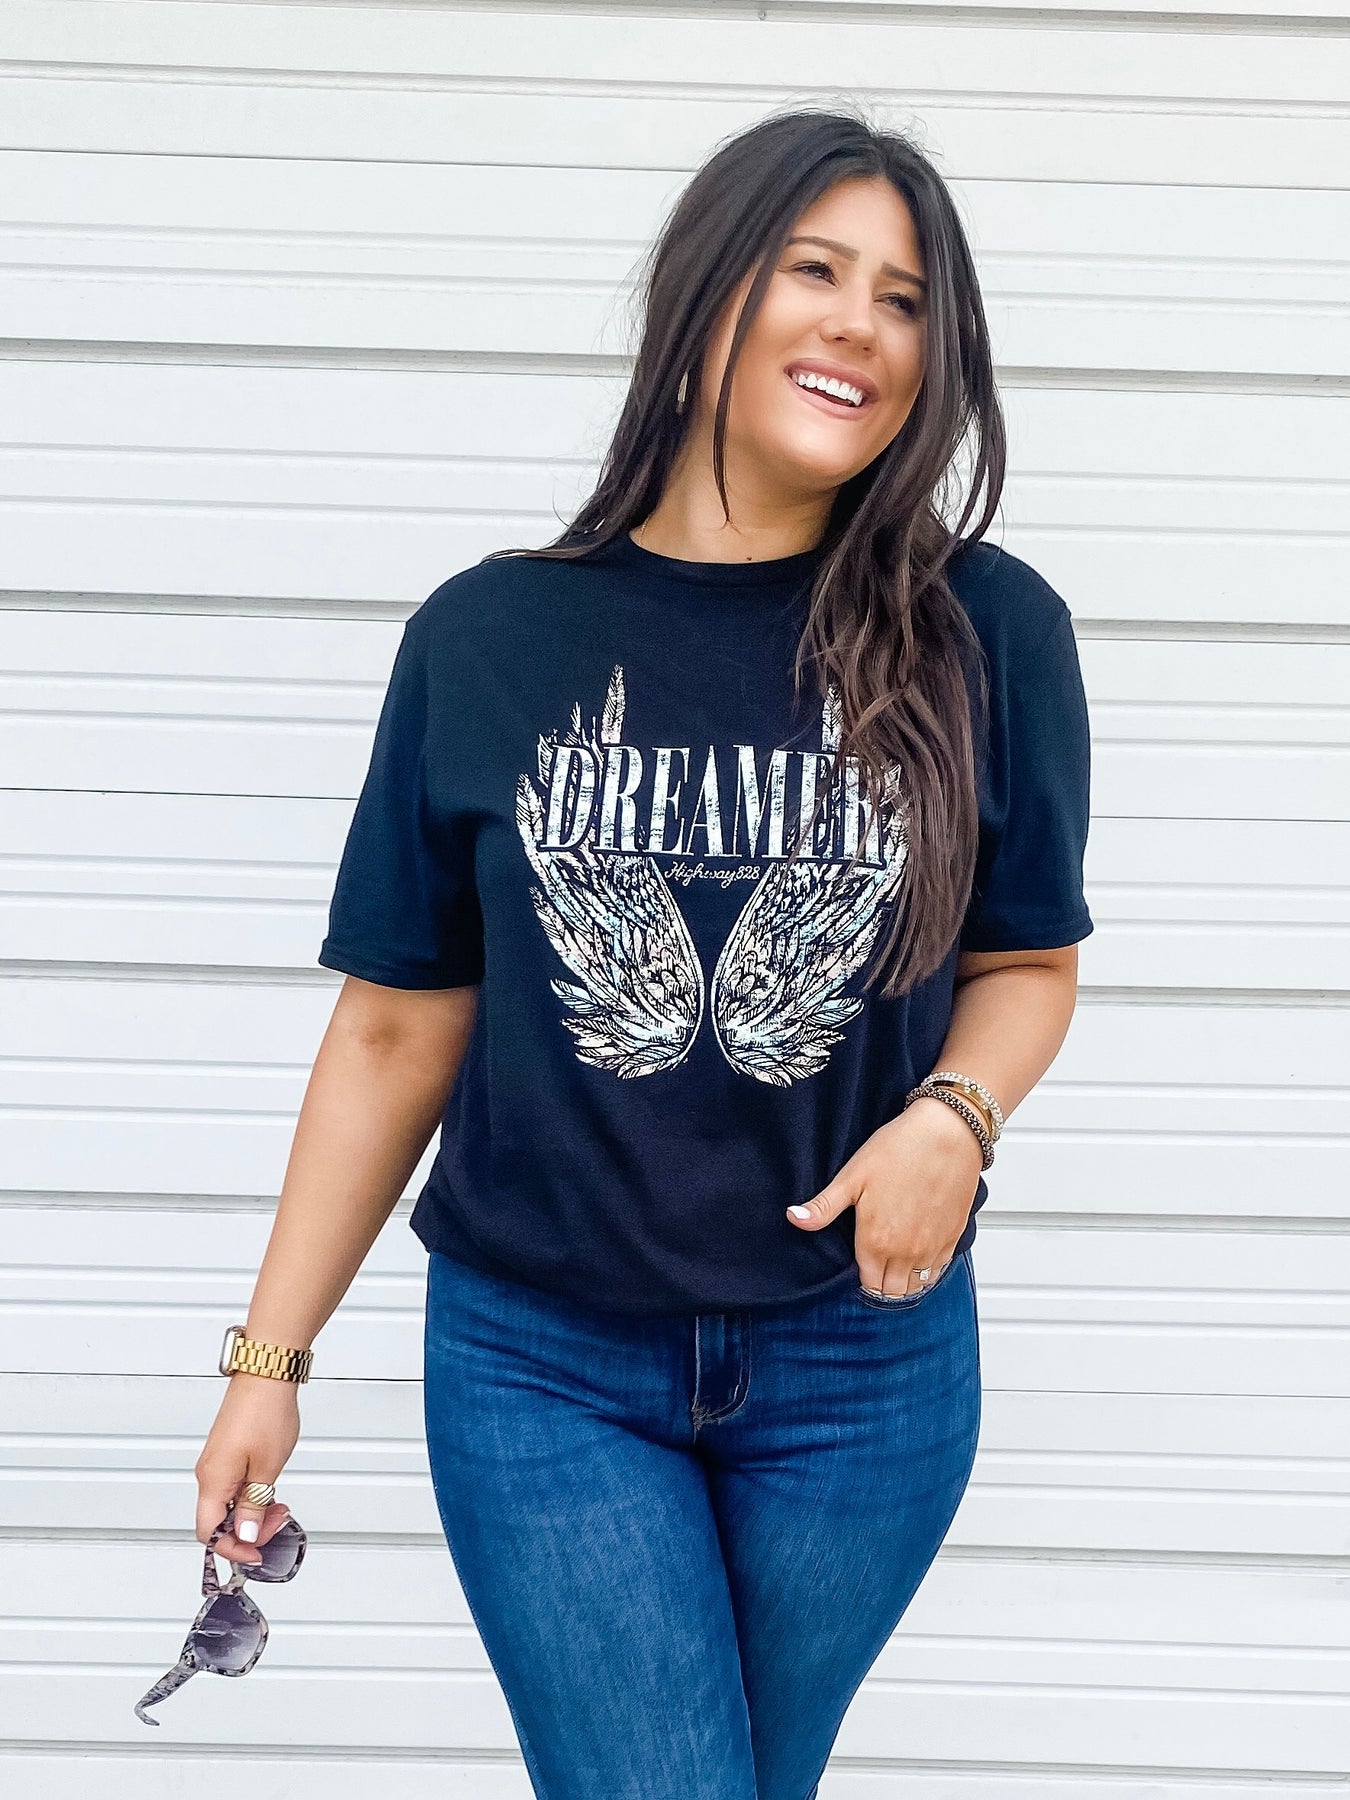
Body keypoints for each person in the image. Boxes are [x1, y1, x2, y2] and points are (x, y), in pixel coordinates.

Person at [193, 106, 1093, 1798]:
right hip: (544, 1363)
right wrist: (268, 1363)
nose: (860, 324)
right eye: (814, 270)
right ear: (707, 296)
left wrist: (953, 1119)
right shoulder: (491, 636)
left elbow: (1026, 964)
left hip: (863, 1365)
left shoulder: (985, 632)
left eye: (905, 300)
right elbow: (395, 1028)